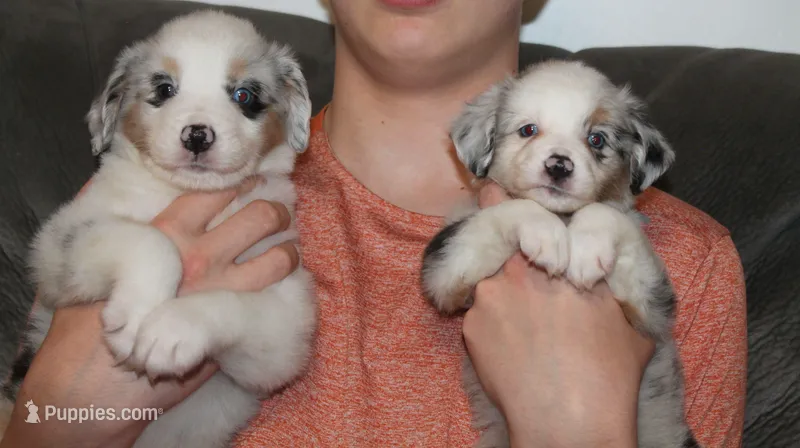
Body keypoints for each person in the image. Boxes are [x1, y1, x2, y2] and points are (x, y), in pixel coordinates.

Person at [0, 0, 746, 447]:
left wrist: (577, 423)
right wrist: (54, 420)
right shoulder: (159, 193)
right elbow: (45, 412)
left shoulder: (678, 259)